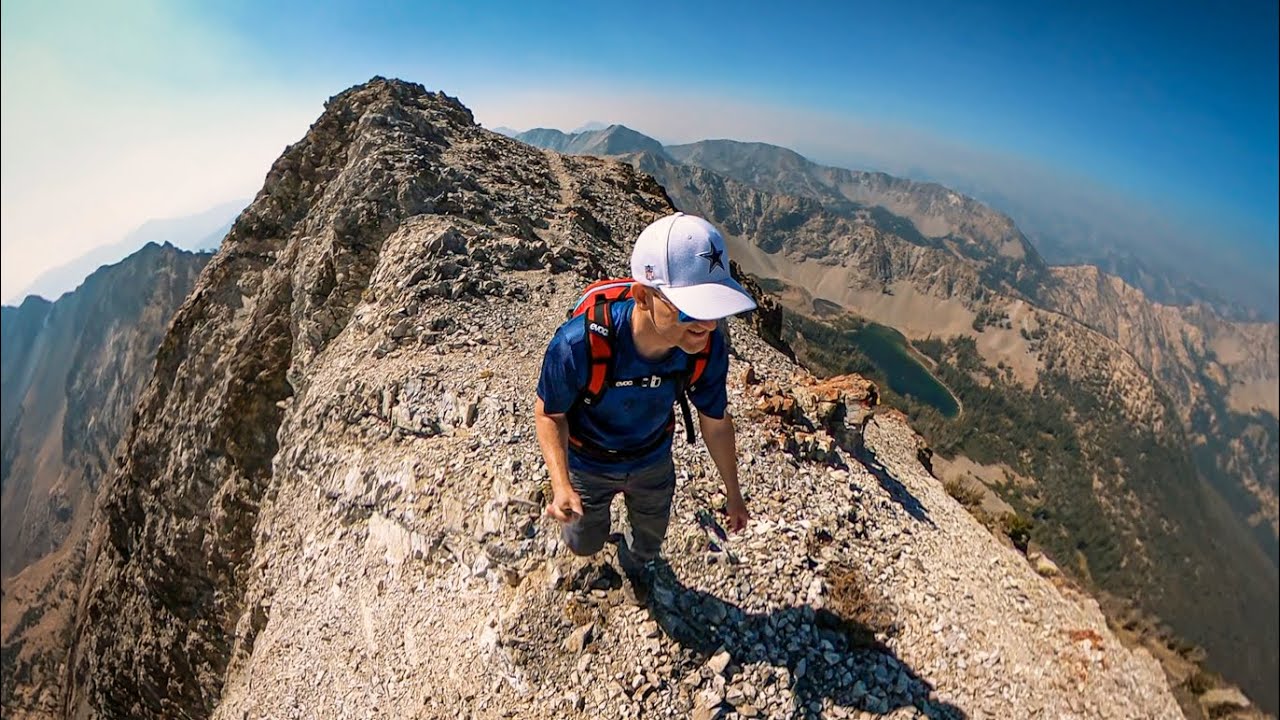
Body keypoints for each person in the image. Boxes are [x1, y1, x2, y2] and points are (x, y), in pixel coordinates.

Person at [535, 212, 757, 589]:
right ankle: (599, 543)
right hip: (588, 462)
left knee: (647, 544)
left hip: (653, 459)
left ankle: (635, 565)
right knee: (584, 543)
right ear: (642, 296)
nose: (707, 325)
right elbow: (549, 413)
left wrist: (734, 494)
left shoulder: (705, 348)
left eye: (715, 310)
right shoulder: (578, 345)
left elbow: (716, 423)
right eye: (691, 310)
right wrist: (561, 485)